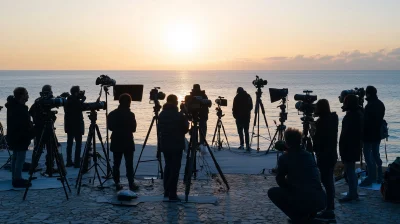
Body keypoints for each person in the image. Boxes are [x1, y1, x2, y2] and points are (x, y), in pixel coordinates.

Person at [268, 128, 326, 223]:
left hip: (303, 198)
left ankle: (299, 219)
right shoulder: (308, 155)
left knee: (272, 192)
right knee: (304, 191)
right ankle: (308, 216)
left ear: (286, 142)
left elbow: (280, 180)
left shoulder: (284, 158)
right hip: (321, 199)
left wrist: (289, 186)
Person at [158, 95, 189, 201]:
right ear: (175, 102)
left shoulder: (161, 114)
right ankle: (172, 193)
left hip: (165, 144)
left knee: (168, 166)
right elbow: (185, 129)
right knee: (175, 169)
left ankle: (166, 191)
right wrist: (184, 114)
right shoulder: (179, 115)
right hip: (176, 144)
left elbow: (160, 129)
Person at [311, 99, 338, 221]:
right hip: (332, 154)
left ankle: (328, 208)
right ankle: (329, 206)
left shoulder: (321, 123)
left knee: (326, 182)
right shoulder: (333, 119)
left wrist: (312, 130)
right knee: (329, 182)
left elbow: (317, 141)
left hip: (324, 156)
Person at [5, 87, 34, 188]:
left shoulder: (12, 106)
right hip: (20, 137)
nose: (28, 96)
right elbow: (23, 125)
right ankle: (17, 179)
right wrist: (32, 130)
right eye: (26, 94)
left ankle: (15, 177)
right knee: (20, 159)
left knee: (16, 158)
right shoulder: (19, 108)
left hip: (14, 136)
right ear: (21, 96)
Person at [108, 93, 137, 191]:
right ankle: (131, 183)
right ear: (129, 103)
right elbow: (133, 129)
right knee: (129, 164)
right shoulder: (131, 114)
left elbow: (110, 127)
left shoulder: (112, 114)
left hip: (116, 140)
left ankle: (117, 183)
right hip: (128, 141)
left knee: (116, 163)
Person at [339, 94, 364, 202]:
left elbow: (345, 135)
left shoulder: (350, 117)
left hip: (349, 146)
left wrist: (341, 149)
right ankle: (353, 192)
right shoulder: (359, 113)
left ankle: (352, 193)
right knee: (351, 170)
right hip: (355, 145)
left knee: (350, 171)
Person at [360, 86, 385, 186]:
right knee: (375, 154)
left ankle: (371, 177)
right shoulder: (380, 104)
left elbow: (365, 121)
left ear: (368, 94)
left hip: (368, 135)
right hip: (377, 134)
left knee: (367, 156)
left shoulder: (369, 106)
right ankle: (379, 177)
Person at [29, 84, 57, 174]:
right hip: (45, 129)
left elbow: (30, 113)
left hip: (38, 129)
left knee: (38, 149)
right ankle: (50, 167)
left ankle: (33, 166)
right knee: (50, 148)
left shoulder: (37, 102)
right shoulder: (44, 102)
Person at [64, 86, 85, 168]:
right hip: (77, 125)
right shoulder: (75, 101)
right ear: (76, 92)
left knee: (69, 144)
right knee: (78, 145)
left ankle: (69, 161)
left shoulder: (67, 100)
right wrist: (83, 100)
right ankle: (77, 163)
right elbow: (80, 108)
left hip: (69, 126)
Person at [232, 87, 253, 151]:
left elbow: (234, 108)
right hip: (246, 117)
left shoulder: (236, 98)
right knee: (246, 131)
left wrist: (235, 116)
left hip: (239, 117)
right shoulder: (248, 96)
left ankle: (242, 145)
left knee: (240, 131)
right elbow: (251, 106)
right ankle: (247, 145)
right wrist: (247, 111)